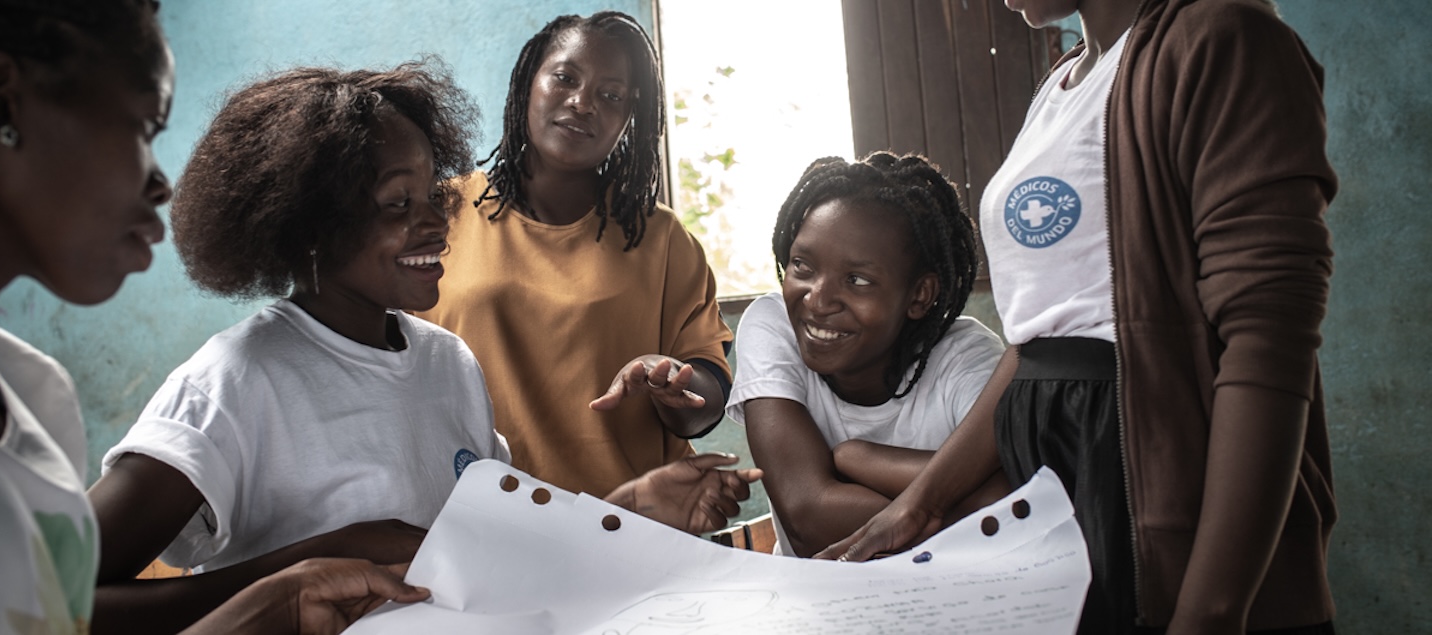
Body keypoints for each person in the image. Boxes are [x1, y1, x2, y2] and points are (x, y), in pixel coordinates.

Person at [86, 62, 760, 634]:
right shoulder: (237, 380)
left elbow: (489, 546)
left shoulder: (447, 362)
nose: (437, 222)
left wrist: (633, 505)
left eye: (432, 193)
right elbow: (56, 599)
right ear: (310, 225)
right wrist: (303, 572)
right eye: (397, 204)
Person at [819, 1, 1338, 634]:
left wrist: (1210, 609)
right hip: (1055, 486)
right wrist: (920, 506)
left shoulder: (1223, 39)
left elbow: (1267, 336)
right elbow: (1038, 339)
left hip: (1146, 476)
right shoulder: (1062, 86)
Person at [0, 1, 433, 633]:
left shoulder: (34, 398)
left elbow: (50, 615)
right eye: (146, 127)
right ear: (5, 101)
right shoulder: (235, 379)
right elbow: (84, 603)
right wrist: (291, 577)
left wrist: (286, 594)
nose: (160, 185)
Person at [417, 11, 734, 498]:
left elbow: (706, 399)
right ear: (528, 83)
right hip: (473, 523)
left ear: (630, 117)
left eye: (611, 96)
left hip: (630, 526)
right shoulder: (441, 214)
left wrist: (673, 384)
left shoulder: (662, 239)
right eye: (565, 78)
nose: (583, 103)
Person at [725, 153, 1008, 557]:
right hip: (820, 609)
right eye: (802, 265)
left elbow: (1017, 499)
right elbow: (808, 518)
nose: (818, 300)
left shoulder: (966, 357)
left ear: (919, 295)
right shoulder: (775, 323)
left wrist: (860, 459)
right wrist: (958, 504)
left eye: (856, 280)